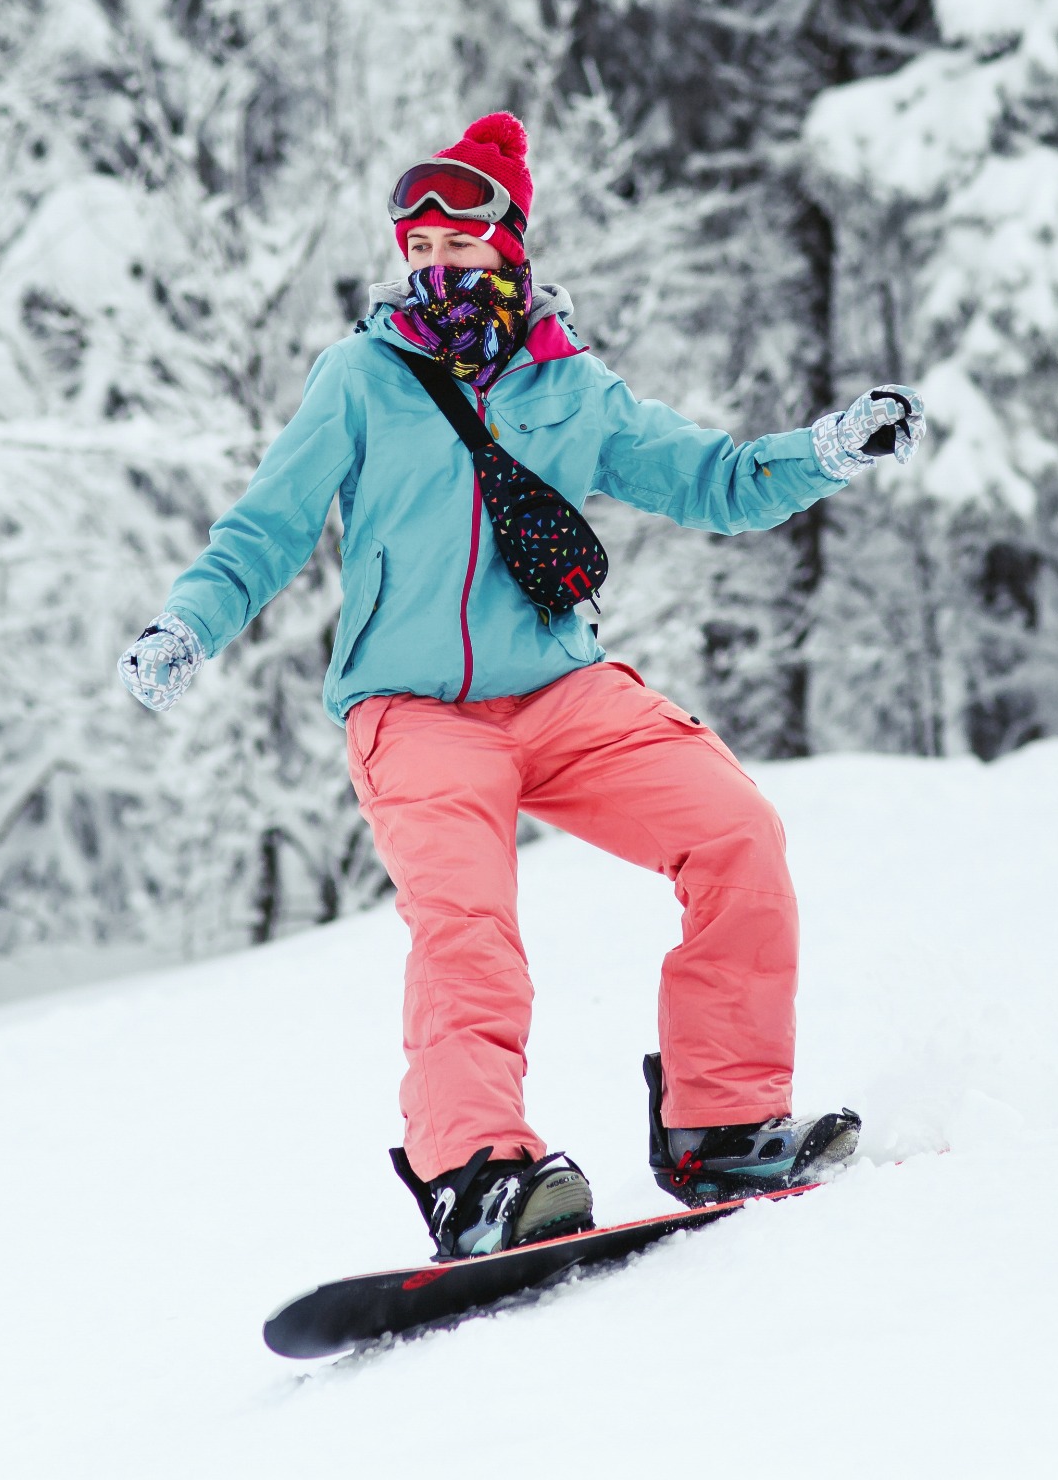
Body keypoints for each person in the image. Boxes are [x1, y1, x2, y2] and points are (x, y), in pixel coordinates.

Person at [117, 112, 924, 1264]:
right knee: (470, 928)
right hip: (415, 712)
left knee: (735, 829)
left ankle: (725, 1120)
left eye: (459, 244)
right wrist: (187, 624)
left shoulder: (567, 387)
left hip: (558, 693)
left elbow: (717, 481)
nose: (436, 266)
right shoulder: (359, 376)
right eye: (419, 250)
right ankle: (480, 1172)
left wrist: (829, 449)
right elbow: (267, 526)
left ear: (510, 246)